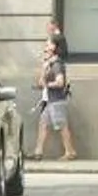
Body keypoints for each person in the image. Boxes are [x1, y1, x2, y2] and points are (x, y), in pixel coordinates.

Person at [34, 22, 75, 162]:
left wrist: (47, 84)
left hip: (57, 100)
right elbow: (41, 82)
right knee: (43, 124)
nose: (45, 48)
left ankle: (70, 151)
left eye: (48, 45)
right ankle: (38, 151)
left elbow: (60, 82)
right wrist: (44, 68)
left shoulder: (57, 64)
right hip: (50, 100)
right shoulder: (50, 63)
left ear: (55, 47)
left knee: (61, 126)